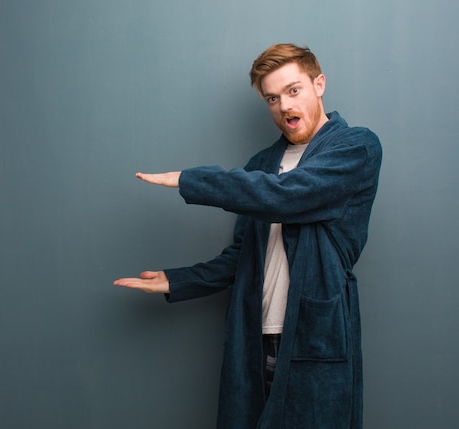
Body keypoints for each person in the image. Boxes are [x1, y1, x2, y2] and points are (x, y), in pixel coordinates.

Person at [114, 43, 382, 429]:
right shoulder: (261, 165)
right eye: (272, 98)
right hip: (254, 341)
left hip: (313, 340)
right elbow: (244, 255)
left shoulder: (357, 148)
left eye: (293, 90)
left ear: (318, 84)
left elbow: (287, 196)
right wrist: (181, 280)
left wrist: (192, 180)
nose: (284, 106)